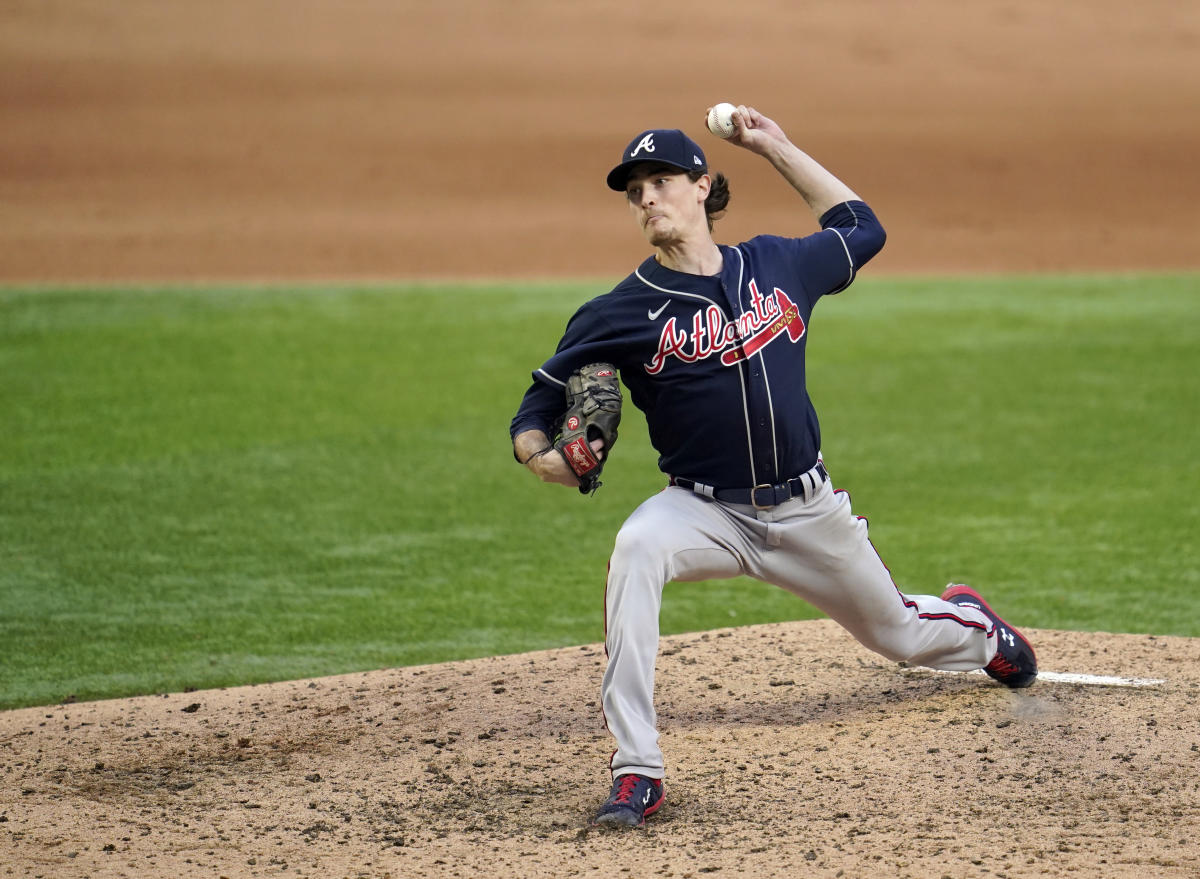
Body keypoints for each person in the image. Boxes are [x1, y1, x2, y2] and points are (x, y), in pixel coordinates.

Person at [508, 105, 1037, 829]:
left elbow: (862, 228)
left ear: (701, 188)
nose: (647, 199)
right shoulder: (618, 312)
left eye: (661, 181)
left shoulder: (777, 264)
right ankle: (639, 769)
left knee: (899, 635)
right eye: (635, 191)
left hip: (807, 509)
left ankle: (978, 627)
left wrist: (776, 146)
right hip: (703, 511)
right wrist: (546, 463)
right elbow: (534, 408)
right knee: (636, 547)